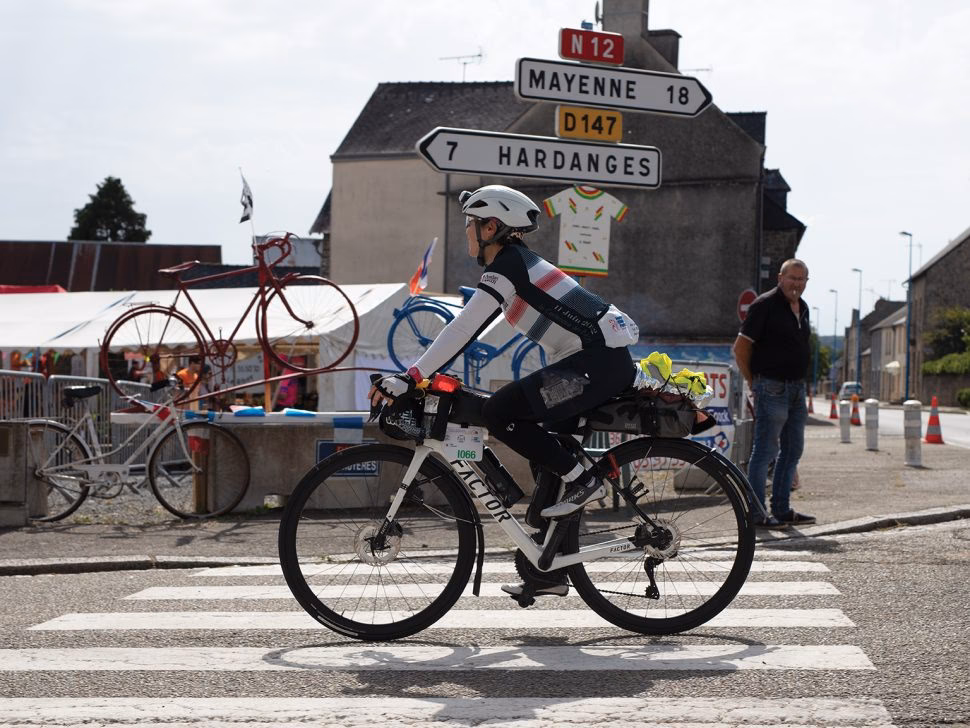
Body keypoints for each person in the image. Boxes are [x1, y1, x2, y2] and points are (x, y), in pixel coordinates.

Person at [369, 184, 639, 597]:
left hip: (597, 362)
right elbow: (472, 331)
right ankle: (547, 572)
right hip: (594, 362)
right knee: (544, 445)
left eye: (471, 225)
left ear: (491, 226)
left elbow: (463, 326)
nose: (466, 233)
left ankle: (584, 477)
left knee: (500, 411)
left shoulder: (509, 266)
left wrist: (411, 375)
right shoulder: (517, 265)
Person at [733, 258, 816, 528]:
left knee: (793, 450)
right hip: (770, 386)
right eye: (792, 278)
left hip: (796, 388)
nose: (797, 284)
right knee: (765, 452)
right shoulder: (764, 305)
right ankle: (756, 514)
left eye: (802, 279)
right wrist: (754, 382)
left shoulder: (802, 308)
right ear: (780, 278)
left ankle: (781, 509)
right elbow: (741, 348)